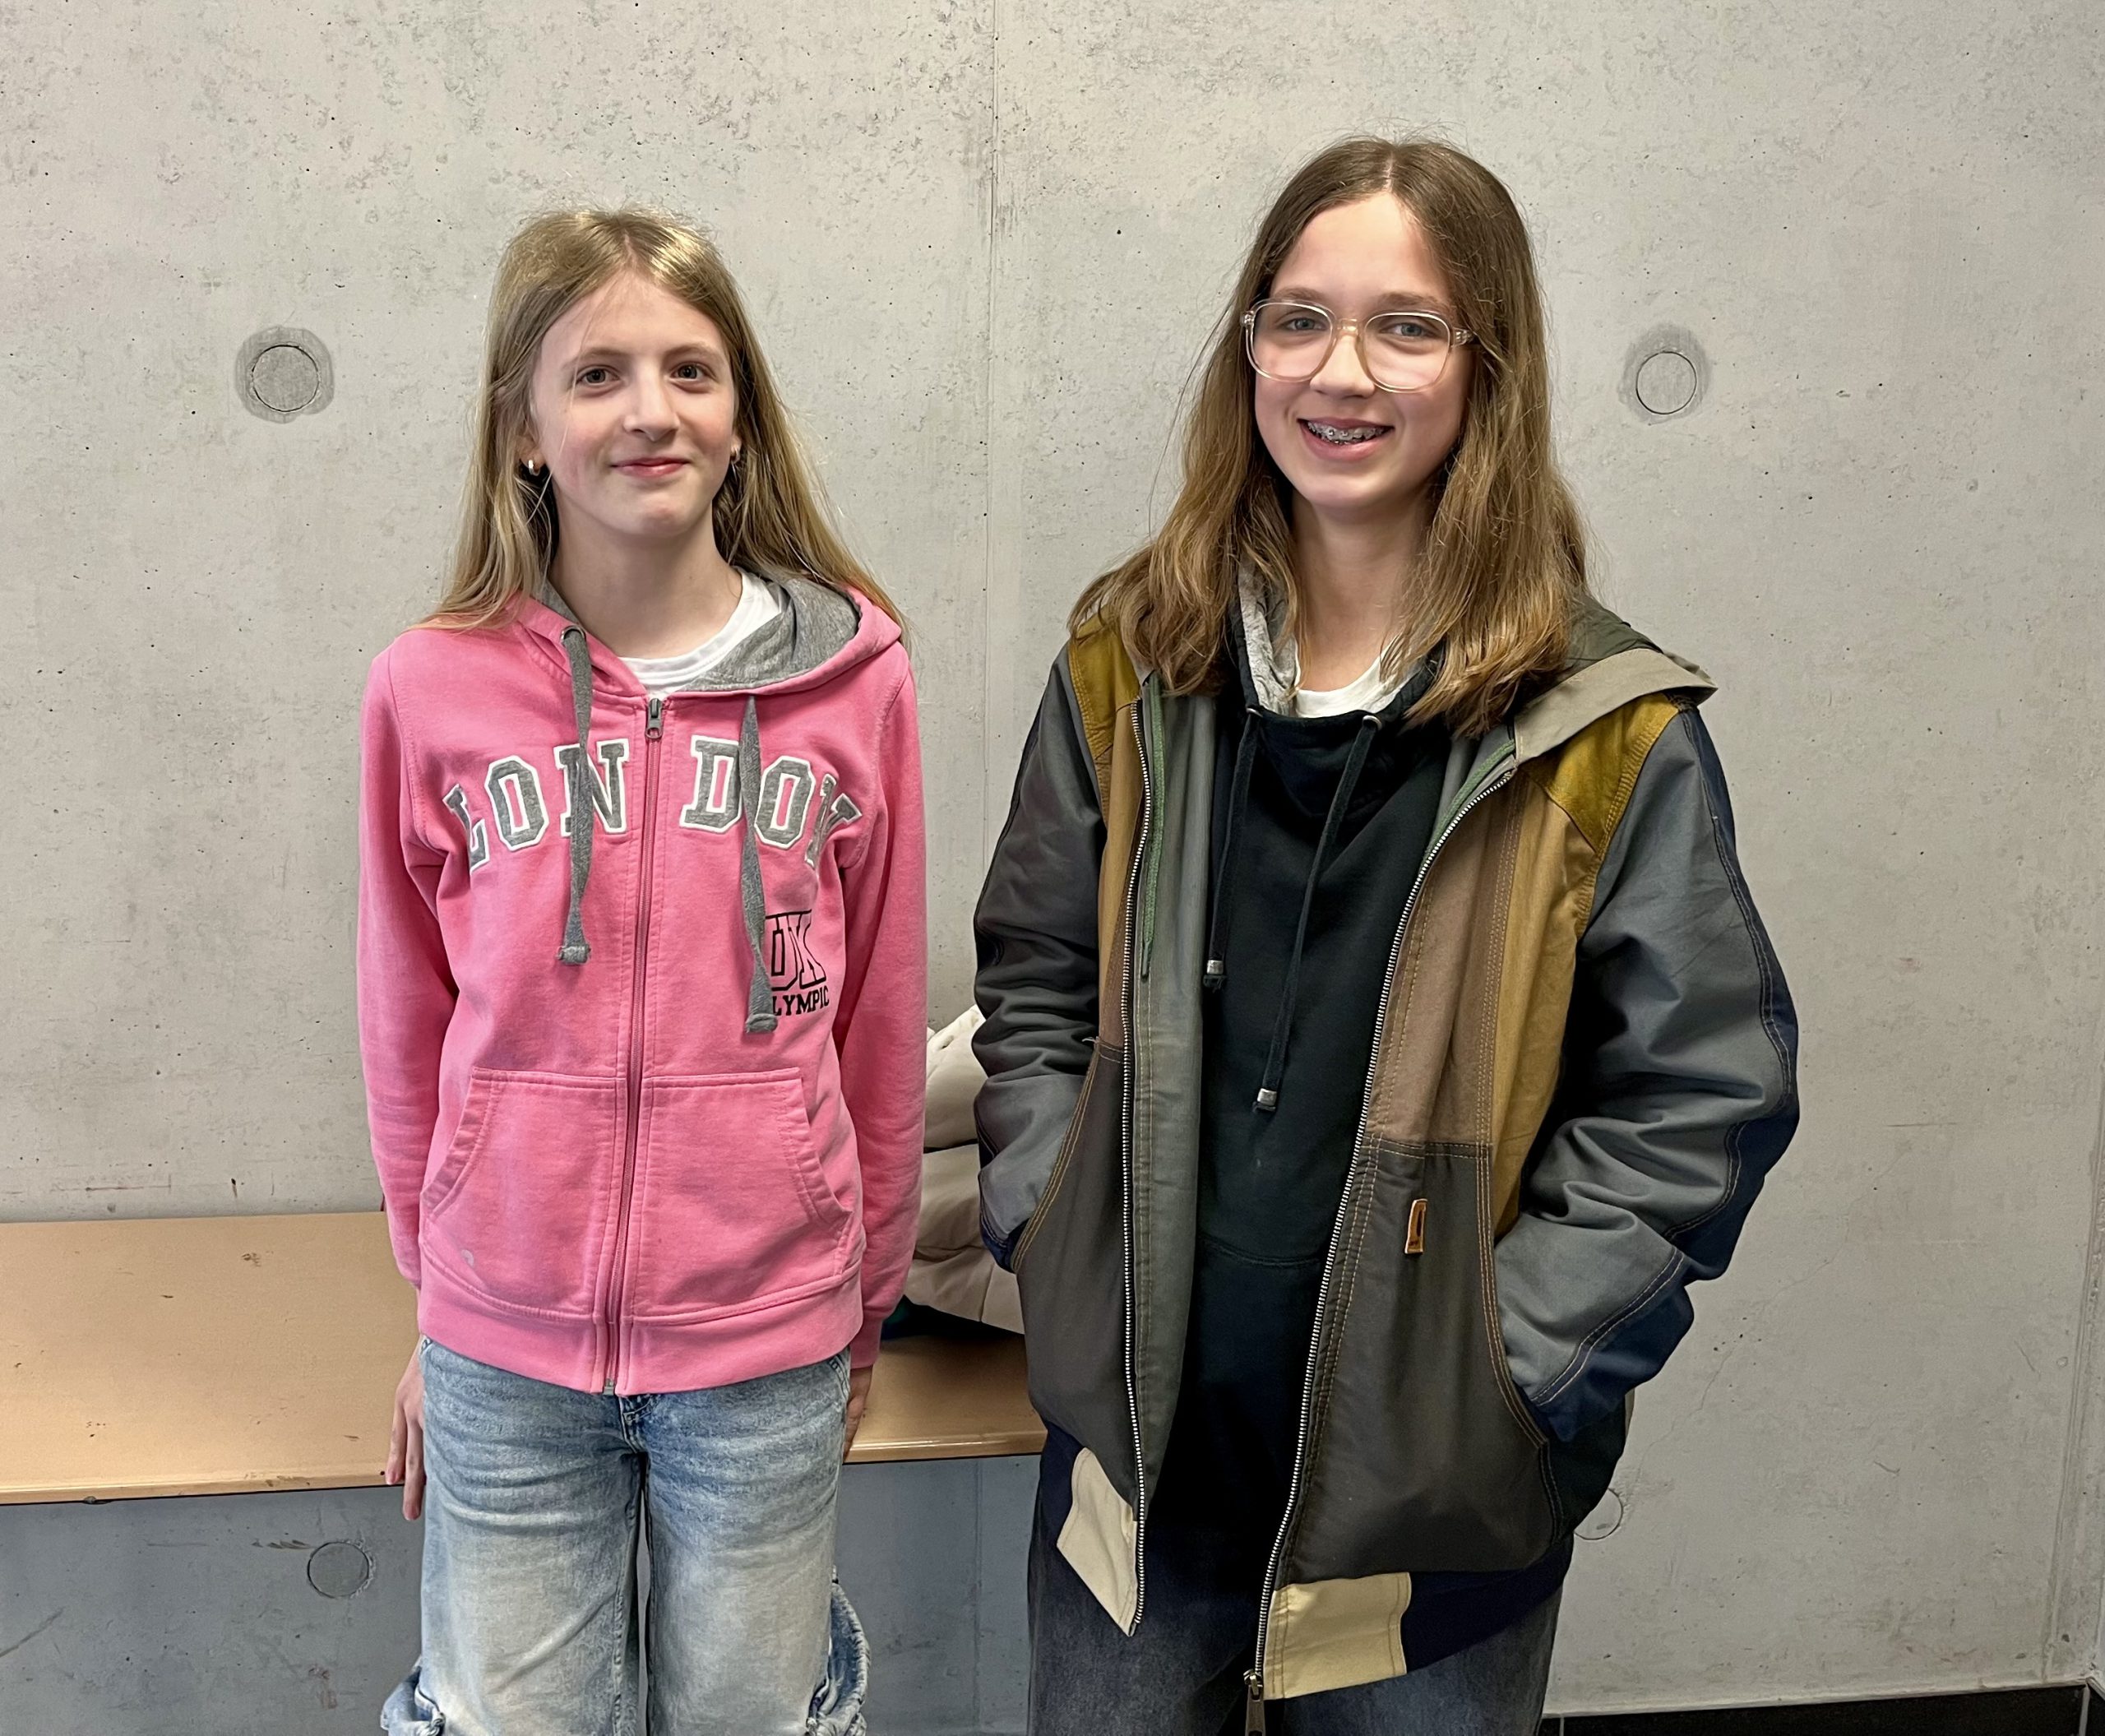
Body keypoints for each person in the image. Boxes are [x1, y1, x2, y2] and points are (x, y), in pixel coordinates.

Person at [974, 137, 1799, 1735]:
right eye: (1296, 319)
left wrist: (1504, 1369)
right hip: (1136, 1490)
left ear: (1488, 364)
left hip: (1426, 1537)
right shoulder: (1128, 668)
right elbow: (1035, 981)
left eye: (1405, 327)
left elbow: (1696, 1096)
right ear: (1248, 350)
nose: (1338, 372)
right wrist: (1050, 1229)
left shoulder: (1599, 729)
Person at [357, 207, 925, 1735]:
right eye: (596, 374)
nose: (650, 411)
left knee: (748, 1719)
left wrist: (861, 1303)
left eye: (691, 369)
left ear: (741, 419)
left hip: (766, 1345)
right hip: (504, 1353)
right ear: (523, 428)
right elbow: (406, 1024)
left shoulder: (857, 681)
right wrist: (442, 1308)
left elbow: (878, 1024)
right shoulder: (429, 686)